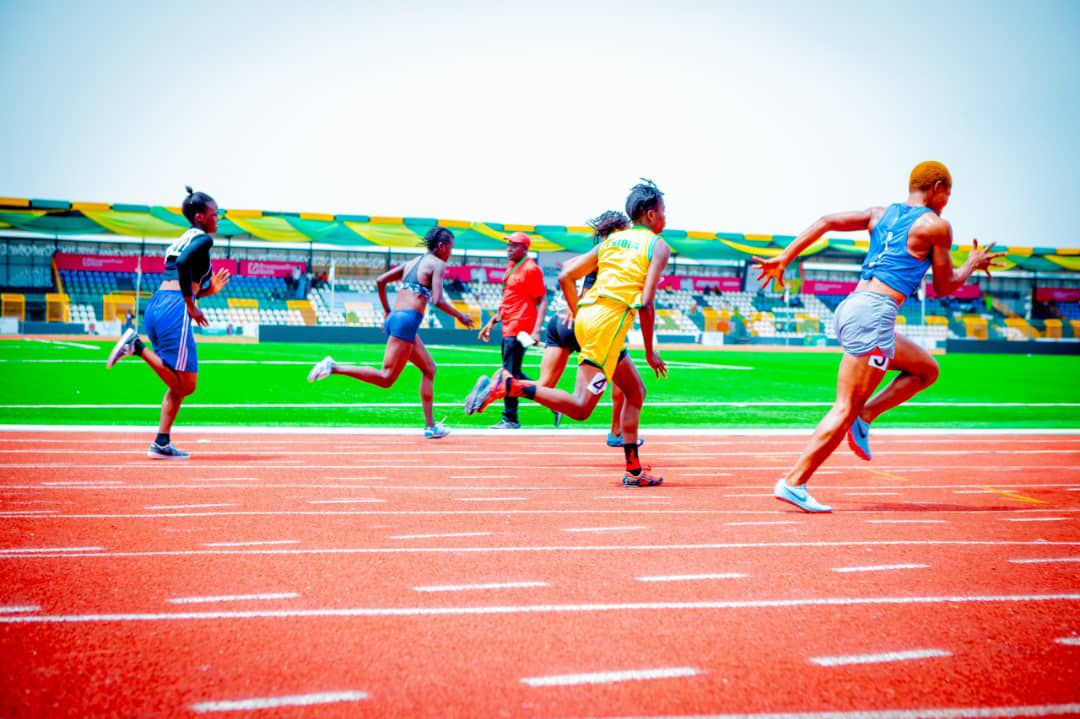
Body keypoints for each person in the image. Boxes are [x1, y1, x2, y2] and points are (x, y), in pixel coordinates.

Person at [754, 161, 1006, 512]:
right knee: (844, 407)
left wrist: (786, 256)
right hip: (874, 314)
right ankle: (794, 483)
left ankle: (866, 415)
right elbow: (945, 285)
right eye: (947, 195)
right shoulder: (936, 226)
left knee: (926, 370)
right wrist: (971, 265)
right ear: (937, 188)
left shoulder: (879, 214)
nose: (946, 203)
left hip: (854, 306)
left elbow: (826, 221)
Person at [465, 180, 671, 487]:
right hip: (608, 324)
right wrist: (651, 351)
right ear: (652, 215)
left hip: (587, 317)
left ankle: (634, 470)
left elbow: (565, 275)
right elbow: (647, 301)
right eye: (664, 211)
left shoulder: (612, 242)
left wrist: (579, 311)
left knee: (635, 391)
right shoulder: (658, 245)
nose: (666, 217)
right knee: (580, 407)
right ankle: (510, 385)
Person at [307, 227, 475, 438]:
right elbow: (437, 300)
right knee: (386, 378)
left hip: (397, 318)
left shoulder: (412, 263)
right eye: (450, 248)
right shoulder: (437, 264)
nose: (451, 253)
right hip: (406, 322)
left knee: (429, 369)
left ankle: (430, 427)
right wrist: (460, 316)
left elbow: (381, 280)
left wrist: (387, 311)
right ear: (441, 246)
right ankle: (333, 367)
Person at [105, 186, 231, 459]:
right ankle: (136, 346)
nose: (218, 218)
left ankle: (161, 442)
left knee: (178, 382)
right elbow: (184, 265)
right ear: (199, 217)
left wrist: (208, 291)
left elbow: (182, 275)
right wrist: (191, 305)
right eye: (214, 214)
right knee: (187, 385)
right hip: (175, 308)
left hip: (159, 303)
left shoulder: (183, 239)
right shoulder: (203, 240)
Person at [540, 209, 643, 449]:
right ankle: (616, 432)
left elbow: (567, 267)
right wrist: (578, 309)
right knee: (624, 385)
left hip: (561, 323)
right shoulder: (614, 254)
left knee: (544, 385)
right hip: (593, 324)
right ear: (619, 230)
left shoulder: (595, 252)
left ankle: (505, 385)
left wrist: (573, 306)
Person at [476, 231, 548, 429]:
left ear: (525, 248)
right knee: (513, 373)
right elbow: (510, 299)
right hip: (509, 326)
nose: (509, 248)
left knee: (508, 375)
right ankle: (551, 399)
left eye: (514, 245)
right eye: (508, 245)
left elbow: (542, 300)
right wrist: (492, 322)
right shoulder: (512, 266)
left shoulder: (530, 269)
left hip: (520, 327)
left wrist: (536, 331)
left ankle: (510, 418)